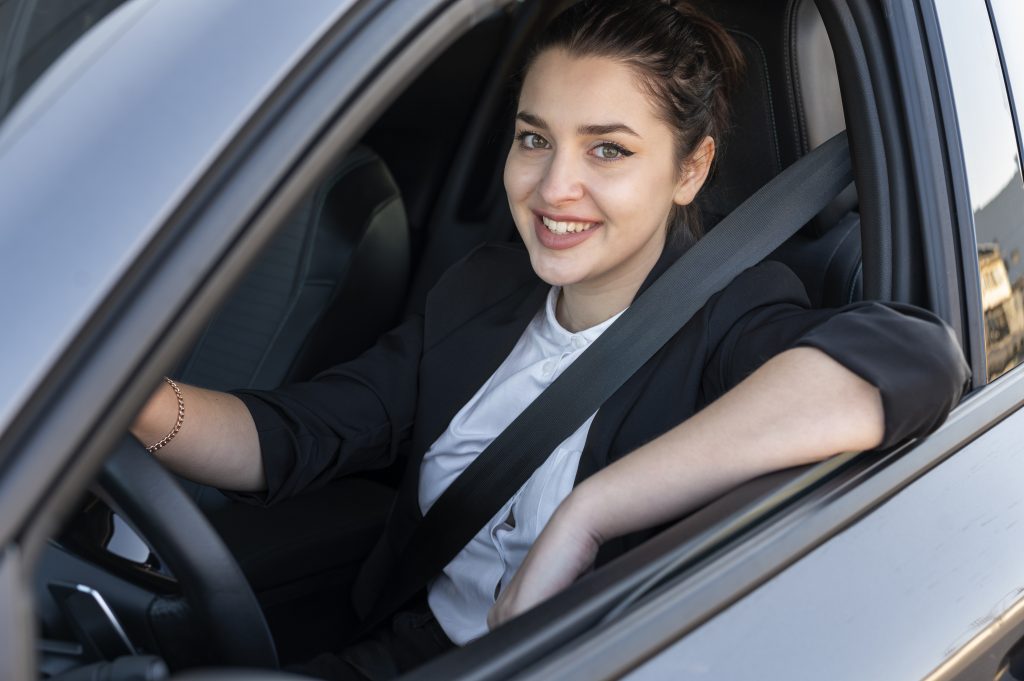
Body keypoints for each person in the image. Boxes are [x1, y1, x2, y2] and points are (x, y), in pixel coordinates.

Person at [131, 1, 970, 678]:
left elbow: (917, 359)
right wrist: (135, 409)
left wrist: (589, 511)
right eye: (535, 137)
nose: (551, 185)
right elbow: (298, 435)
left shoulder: (735, 315)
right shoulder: (482, 292)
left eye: (607, 149)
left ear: (690, 169)